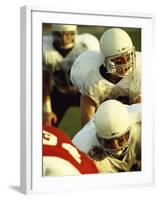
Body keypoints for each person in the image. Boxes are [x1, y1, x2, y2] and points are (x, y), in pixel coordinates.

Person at [70, 28, 141, 126]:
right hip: (103, 123)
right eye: (119, 61)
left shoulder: (139, 71)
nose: (126, 64)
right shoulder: (90, 75)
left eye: (128, 57)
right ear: (106, 60)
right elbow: (87, 125)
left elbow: (140, 115)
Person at [43, 24, 100, 126]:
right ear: (53, 34)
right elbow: (44, 80)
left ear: (75, 33)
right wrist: (47, 109)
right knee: (46, 127)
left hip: (82, 92)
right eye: (59, 34)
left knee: (98, 123)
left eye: (69, 34)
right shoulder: (44, 49)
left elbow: (95, 77)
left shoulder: (86, 45)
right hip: (59, 93)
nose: (64, 39)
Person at [72, 99, 141, 173]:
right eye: (108, 142)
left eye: (121, 139)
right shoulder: (81, 147)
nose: (116, 147)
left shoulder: (142, 121)